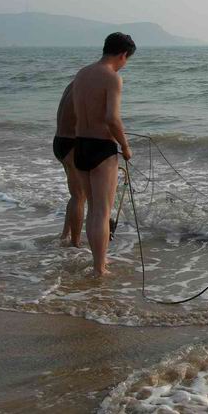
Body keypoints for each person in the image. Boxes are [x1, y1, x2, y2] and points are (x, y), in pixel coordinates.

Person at [72, 32, 136, 276]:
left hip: (80, 144)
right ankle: (100, 268)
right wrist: (125, 146)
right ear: (123, 55)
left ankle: (99, 261)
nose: (124, 64)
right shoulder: (112, 77)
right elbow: (112, 118)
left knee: (93, 209)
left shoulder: (82, 74)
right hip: (101, 148)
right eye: (127, 59)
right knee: (102, 211)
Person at [53, 81, 86, 247]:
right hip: (71, 143)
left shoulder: (74, 83)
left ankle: (65, 234)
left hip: (59, 141)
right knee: (79, 196)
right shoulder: (90, 83)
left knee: (76, 195)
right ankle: (76, 243)